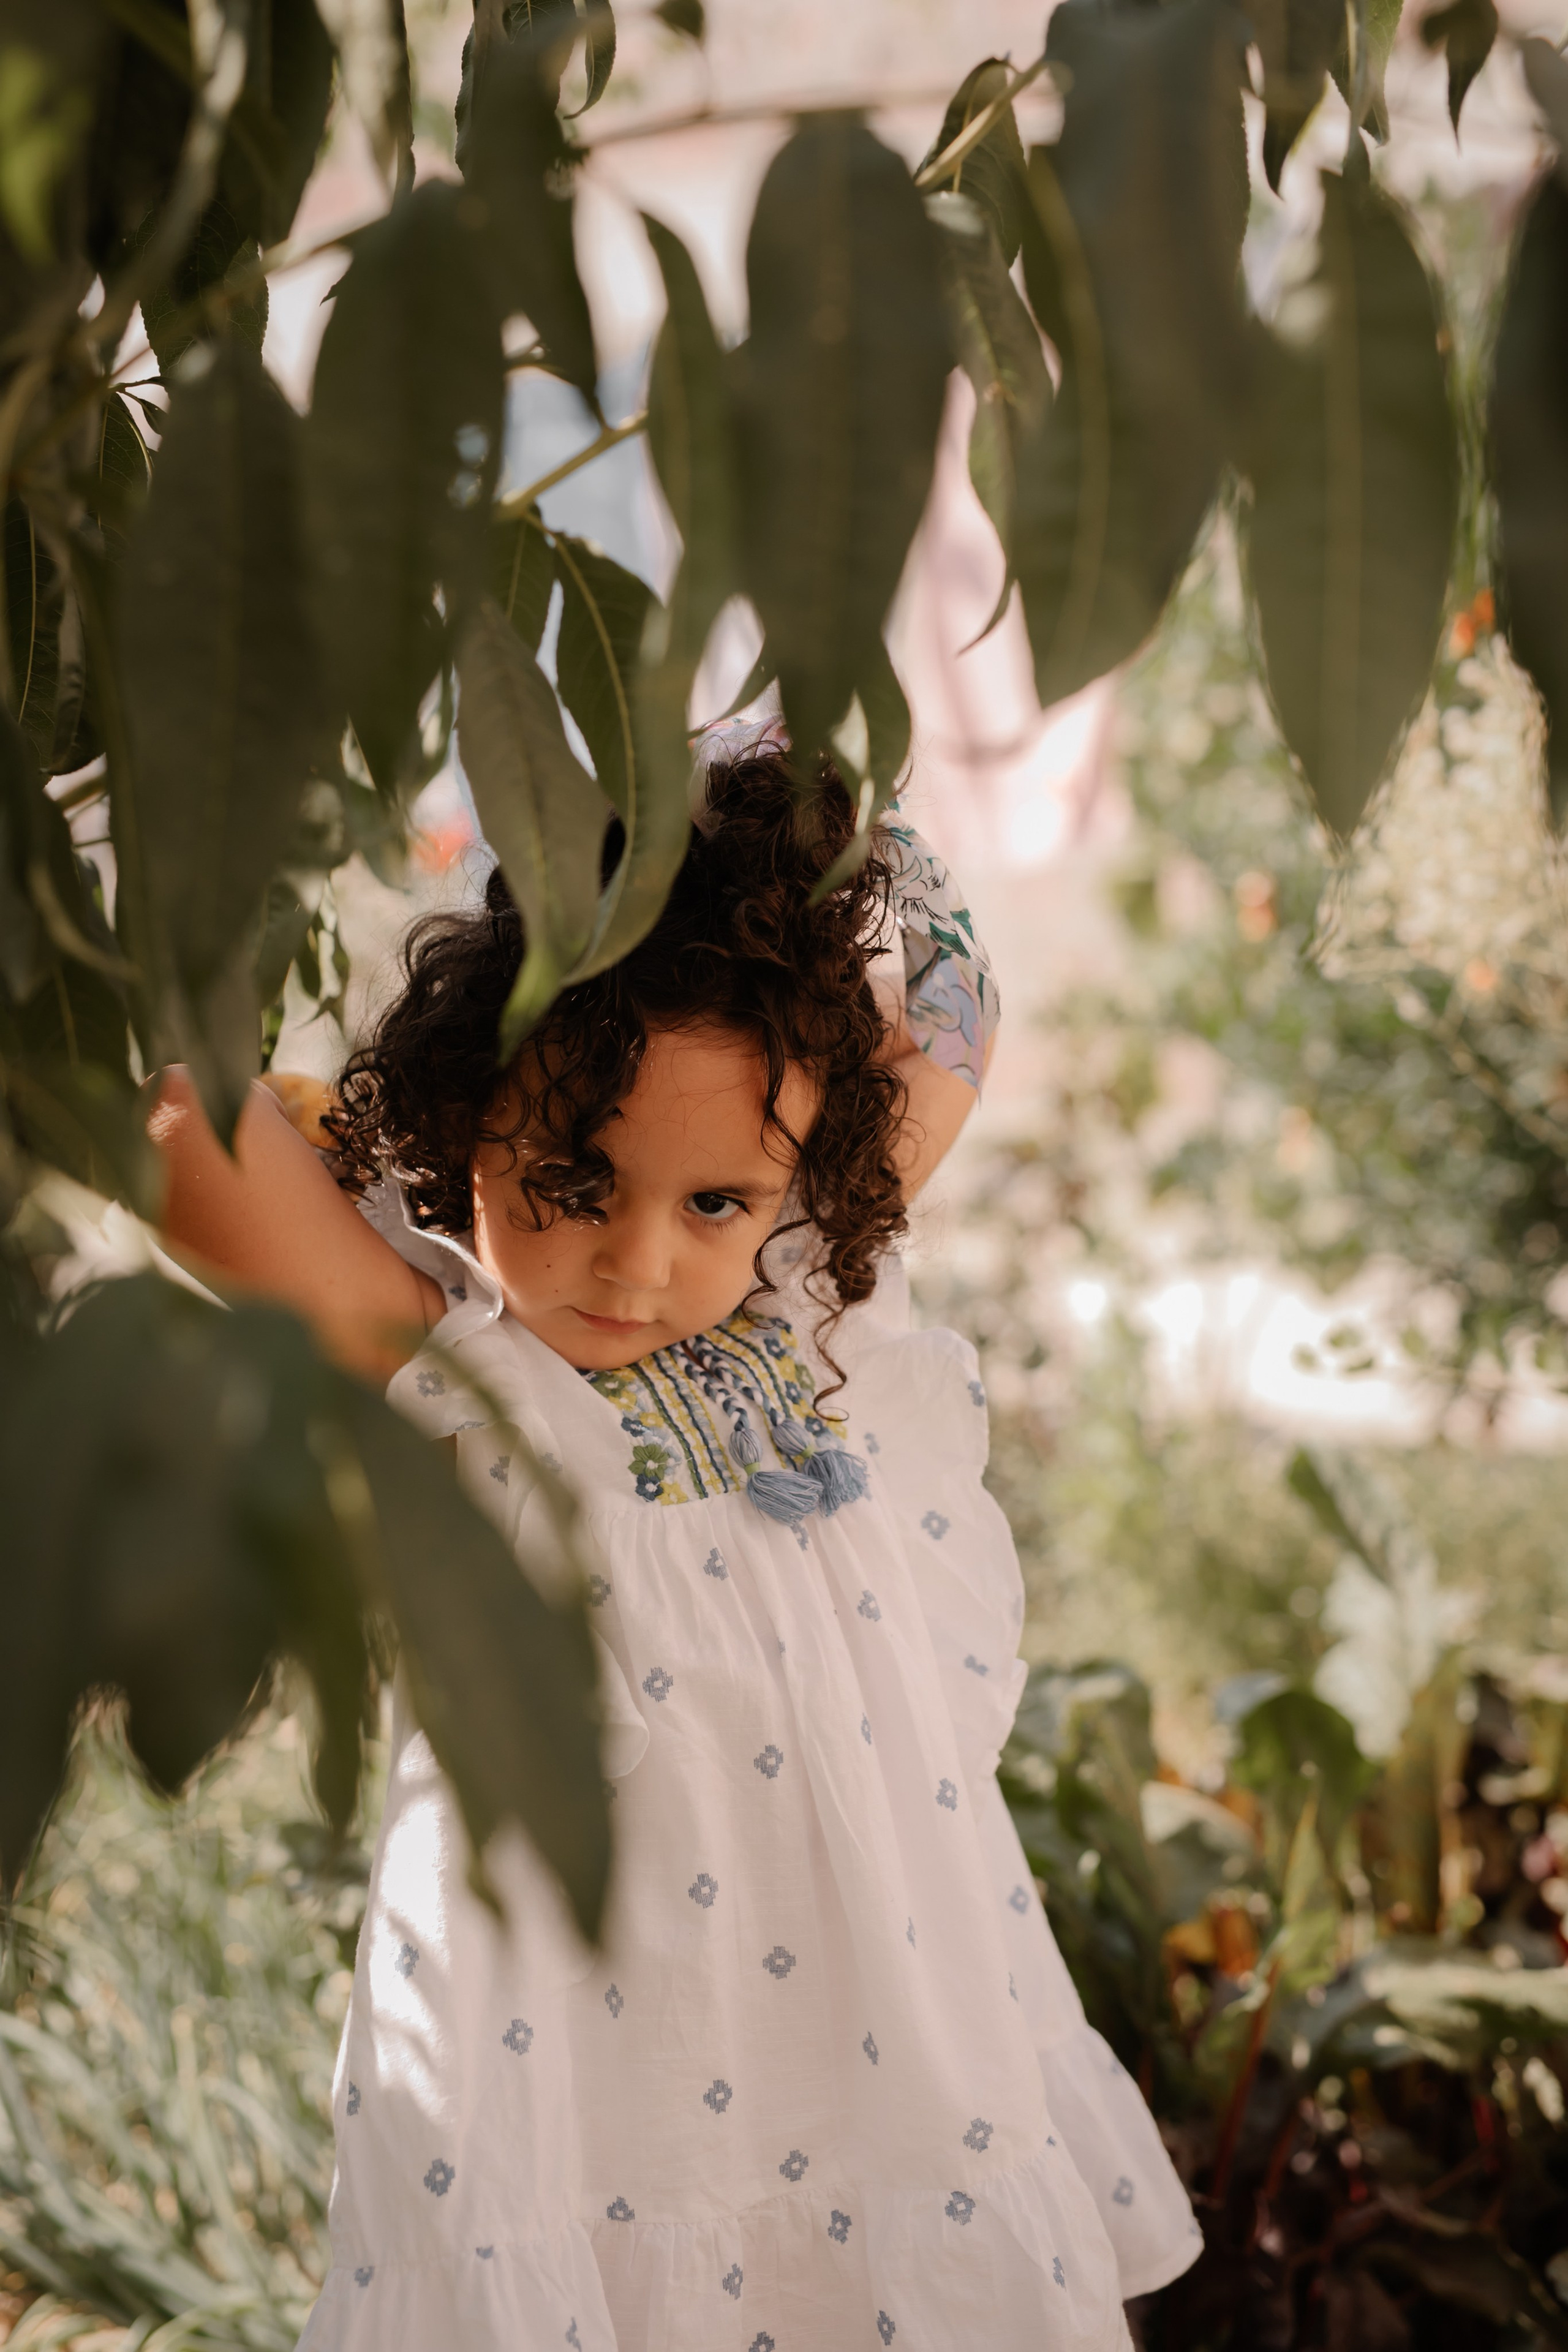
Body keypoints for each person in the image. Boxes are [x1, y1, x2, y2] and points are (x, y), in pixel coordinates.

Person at [149, 737, 1199, 2350]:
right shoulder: (468, 1381)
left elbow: (953, 1013)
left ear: (788, 1181)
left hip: (890, 2040)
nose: (635, 1257)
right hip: (588, 2081)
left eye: (713, 1201)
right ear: (467, 1111)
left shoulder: (808, 1292)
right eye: (575, 1174)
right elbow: (168, 1127)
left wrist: (843, 824)